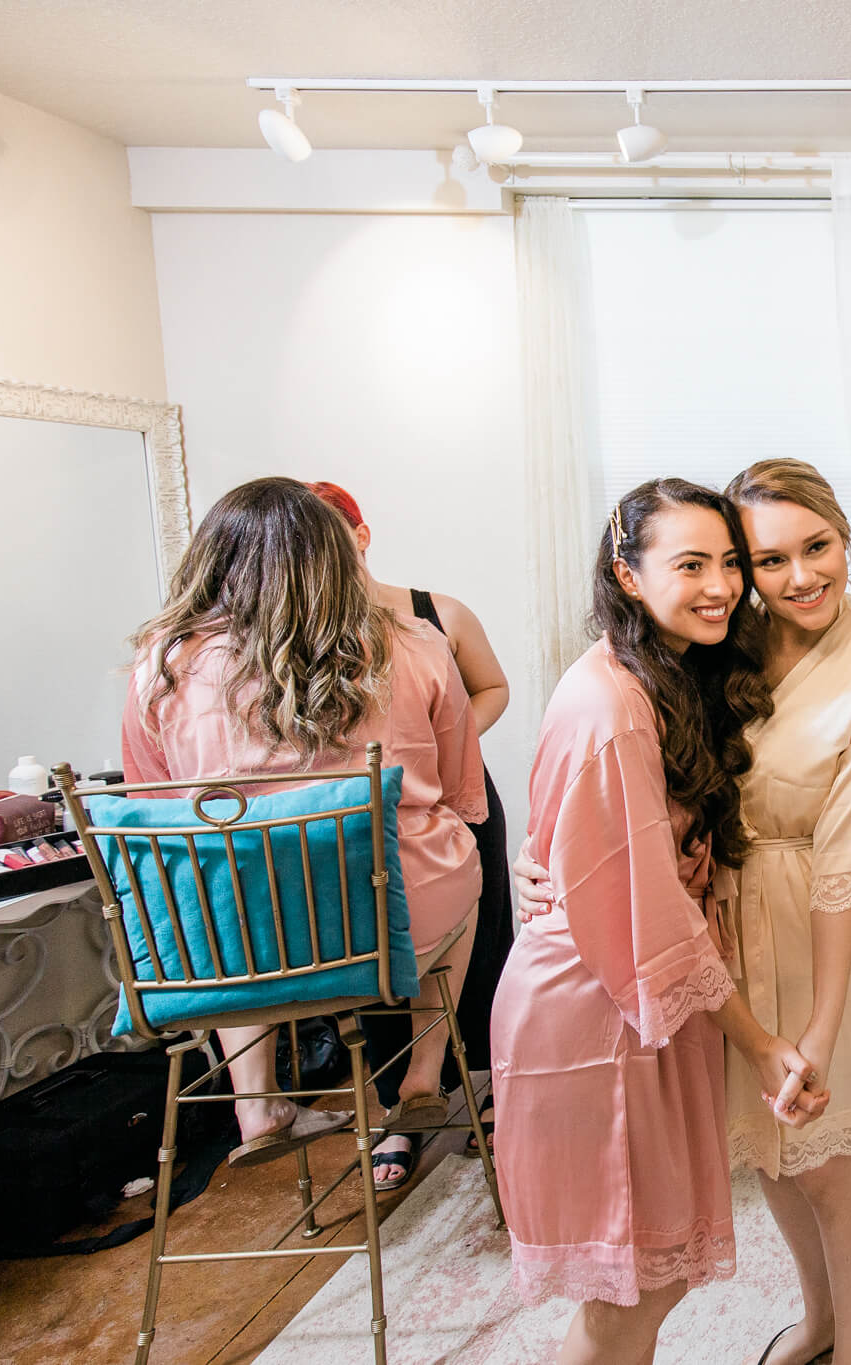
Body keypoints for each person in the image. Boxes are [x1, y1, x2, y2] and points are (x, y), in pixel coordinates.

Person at [516, 459, 851, 1365]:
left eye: (815, 547)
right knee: (768, 1149)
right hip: (723, 934)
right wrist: (544, 856)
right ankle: (817, 1316)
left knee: (832, 1162)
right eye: (767, 557)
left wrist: (820, 1025)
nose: (797, 577)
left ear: (845, 535)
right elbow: (634, 784)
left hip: (834, 933)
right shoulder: (721, 642)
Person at [491, 478, 826, 1365]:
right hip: (601, 1010)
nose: (720, 585)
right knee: (633, 1283)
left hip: (635, 1002)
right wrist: (759, 1042)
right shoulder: (613, 707)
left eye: (727, 562)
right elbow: (651, 918)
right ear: (628, 576)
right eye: (690, 564)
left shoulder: (661, 673)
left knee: (649, 1276)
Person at [119, 477, 487, 1168]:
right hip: (382, 928)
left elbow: (154, 811)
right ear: (336, 554)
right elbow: (463, 793)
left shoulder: (162, 665)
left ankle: (254, 1100)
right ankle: (420, 1072)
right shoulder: (415, 646)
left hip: (236, 950)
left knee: (229, 877)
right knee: (461, 847)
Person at [308, 480, 515, 1188]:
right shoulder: (305, 631)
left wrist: (442, 742)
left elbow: (493, 687)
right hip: (369, 817)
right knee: (380, 966)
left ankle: (491, 1090)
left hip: (455, 797)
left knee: (479, 944)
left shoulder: (436, 613)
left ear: (361, 536)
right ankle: (402, 1106)